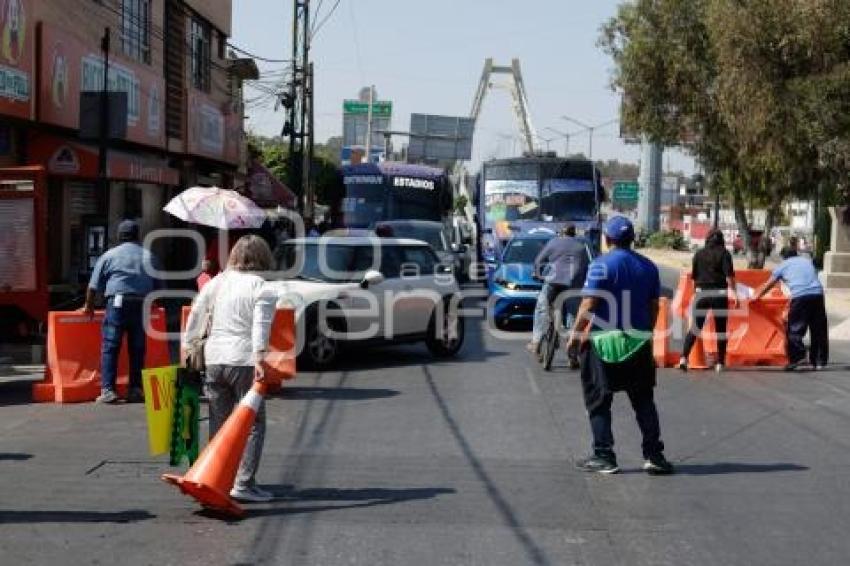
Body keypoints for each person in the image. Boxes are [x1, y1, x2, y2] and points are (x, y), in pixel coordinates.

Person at [566, 216, 673, 475]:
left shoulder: (600, 265)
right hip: (638, 341)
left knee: (598, 400)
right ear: (632, 239)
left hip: (603, 342)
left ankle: (604, 455)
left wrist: (574, 336)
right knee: (643, 400)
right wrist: (646, 332)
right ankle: (654, 456)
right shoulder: (649, 267)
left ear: (608, 239)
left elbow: (588, 304)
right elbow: (653, 306)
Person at [183, 235, 278, 502]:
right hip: (244, 359)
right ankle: (244, 483)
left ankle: (216, 477)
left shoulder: (217, 282)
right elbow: (261, 325)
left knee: (219, 421)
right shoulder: (262, 287)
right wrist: (260, 357)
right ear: (262, 257)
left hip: (214, 358)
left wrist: (188, 346)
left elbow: (196, 312)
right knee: (253, 422)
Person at [83, 220, 162, 404]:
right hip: (141, 303)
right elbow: (158, 288)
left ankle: (108, 390)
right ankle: (135, 389)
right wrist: (155, 303)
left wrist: (89, 306)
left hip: (117, 303)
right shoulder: (149, 256)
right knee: (137, 348)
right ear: (137, 235)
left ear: (119, 236)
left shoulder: (109, 255)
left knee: (111, 346)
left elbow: (93, 286)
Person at [753, 246, 828, 370]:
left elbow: (770, 284)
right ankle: (819, 361)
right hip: (817, 295)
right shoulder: (806, 262)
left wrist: (758, 296)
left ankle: (798, 356)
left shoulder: (783, 266)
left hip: (800, 296)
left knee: (794, 328)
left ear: (783, 257)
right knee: (818, 329)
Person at [528, 224, 589, 367]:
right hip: (573, 285)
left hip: (553, 282)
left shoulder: (554, 242)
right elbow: (587, 267)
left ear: (561, 233)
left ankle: (536, 342)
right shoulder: (581, 247)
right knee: (573, 317)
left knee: (541, 308)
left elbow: (538, 261)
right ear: (574, 234)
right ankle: (572, 356)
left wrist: (537, 274)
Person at [679, 229, 738, 372]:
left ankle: (684, 358)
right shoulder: (724, 254)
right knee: (720, 329)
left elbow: (694, 278)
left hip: (701, 293)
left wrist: (696, 293)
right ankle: (720, 363)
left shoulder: (699, 254)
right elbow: (729, 277)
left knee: (696, 327)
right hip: (719, 294)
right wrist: (734, 293)